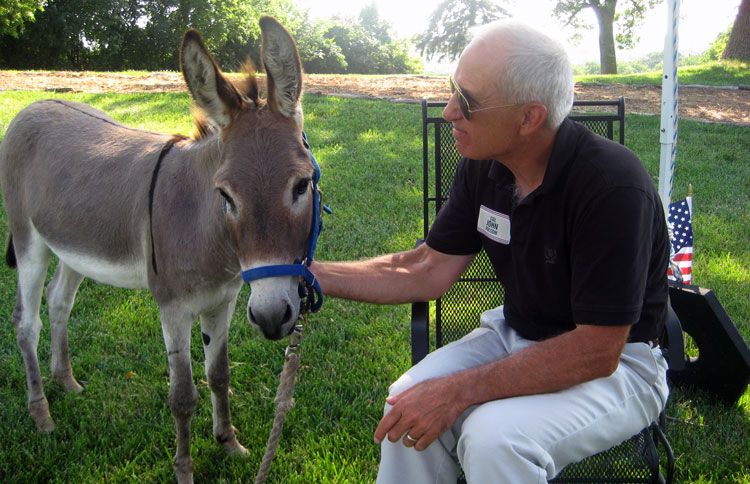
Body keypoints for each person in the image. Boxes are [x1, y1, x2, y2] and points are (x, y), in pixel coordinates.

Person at [309, 19, 670, 483]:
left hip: (622, 367)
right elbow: (426, 268)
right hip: (516, 334)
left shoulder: (611, 187)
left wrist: (458, 391)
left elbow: (598, 350)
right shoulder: (485, 167)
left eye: (469, 101)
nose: (448, 111)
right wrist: (308, 273)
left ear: (529, 118)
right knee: (408, 402)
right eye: (452, 89)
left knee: (495, 439)